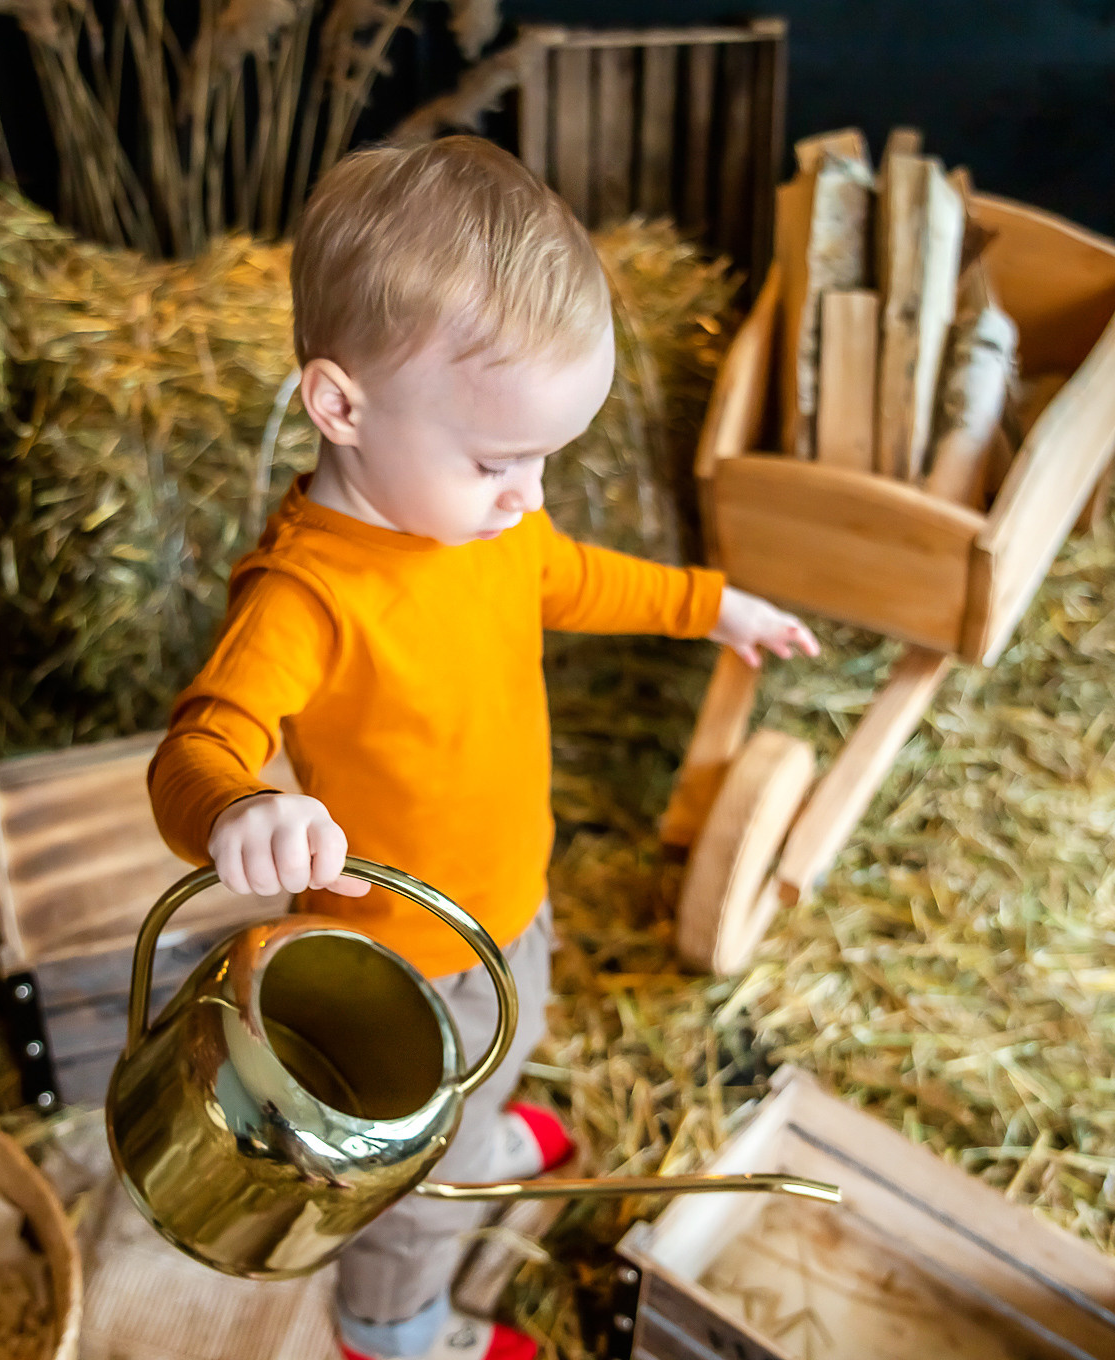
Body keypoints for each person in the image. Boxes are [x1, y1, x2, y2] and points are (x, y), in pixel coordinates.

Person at [147, 135, 817, 1360]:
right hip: (399, 962)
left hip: (511, 901)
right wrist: (237, 809)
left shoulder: (492, 525)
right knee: (414, 1179)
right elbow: (204, 741)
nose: (529, 492)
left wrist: (710, 605)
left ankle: (492, 1118)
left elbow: (576, 576)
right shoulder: (309, 595)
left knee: (521, 1029)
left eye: (545, 457)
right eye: (500, 459)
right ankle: (390, 1325)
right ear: (340, 404)